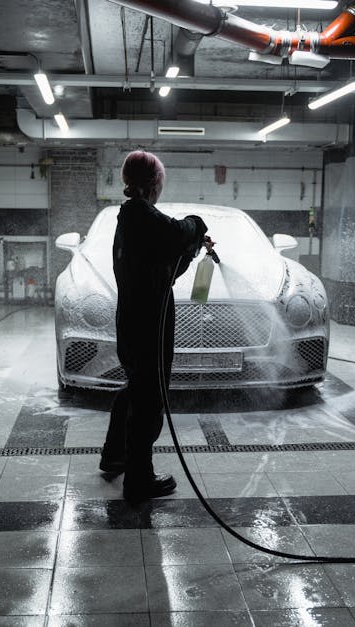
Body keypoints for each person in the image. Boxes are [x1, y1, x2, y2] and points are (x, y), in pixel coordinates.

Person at [100, 150, 214, 501]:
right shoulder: (140, 215)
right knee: (148, 401)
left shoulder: (132, 219)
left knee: (136, 389)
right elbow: (180, 230)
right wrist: (197, 225)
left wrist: (193, 251)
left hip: (137, 319)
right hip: (148, 324)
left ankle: (116, 456)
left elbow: (167, 265)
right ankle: (139, 479)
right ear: (154, 184)